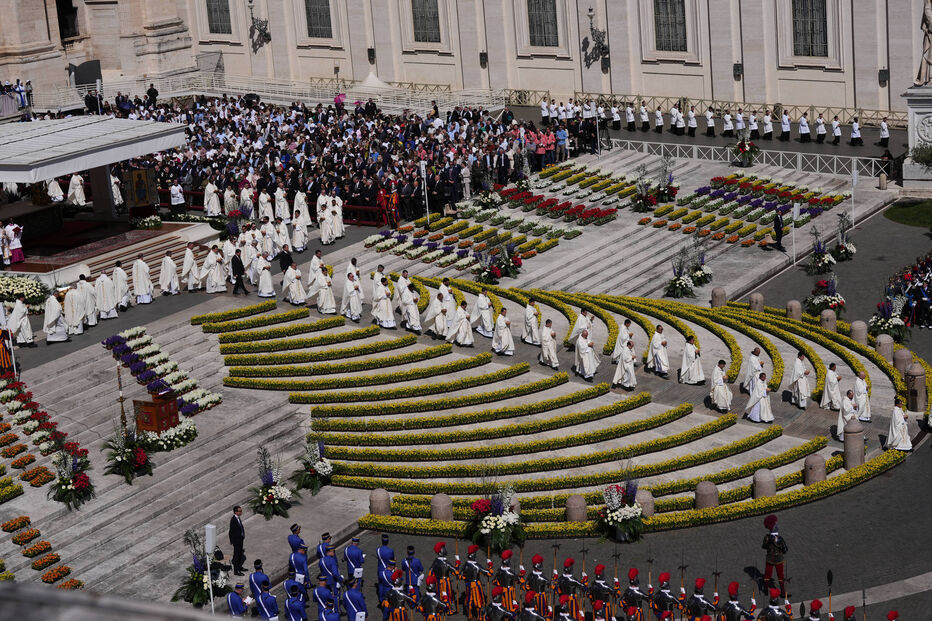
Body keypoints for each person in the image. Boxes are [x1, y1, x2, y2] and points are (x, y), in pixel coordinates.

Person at [761, 514, 788, 597]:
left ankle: (765, 590)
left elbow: (764, 546)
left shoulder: (766, 537)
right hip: (779, 558)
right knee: (780, 575)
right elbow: (785, 550)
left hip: (769, 557)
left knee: (767, 574)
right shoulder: (779, 538)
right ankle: (783, 592)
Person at [229, 505, 246, 576]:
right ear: (236, 512)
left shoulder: (238, 518)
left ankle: (239, 567)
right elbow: (231, 532)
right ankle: (236, 571)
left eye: (241, 511)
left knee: (239, 554)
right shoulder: (233, 520)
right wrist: (232, 541)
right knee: (236, 555)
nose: (241, 512)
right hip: (236, 541)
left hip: (240, 539)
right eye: (240, 511)